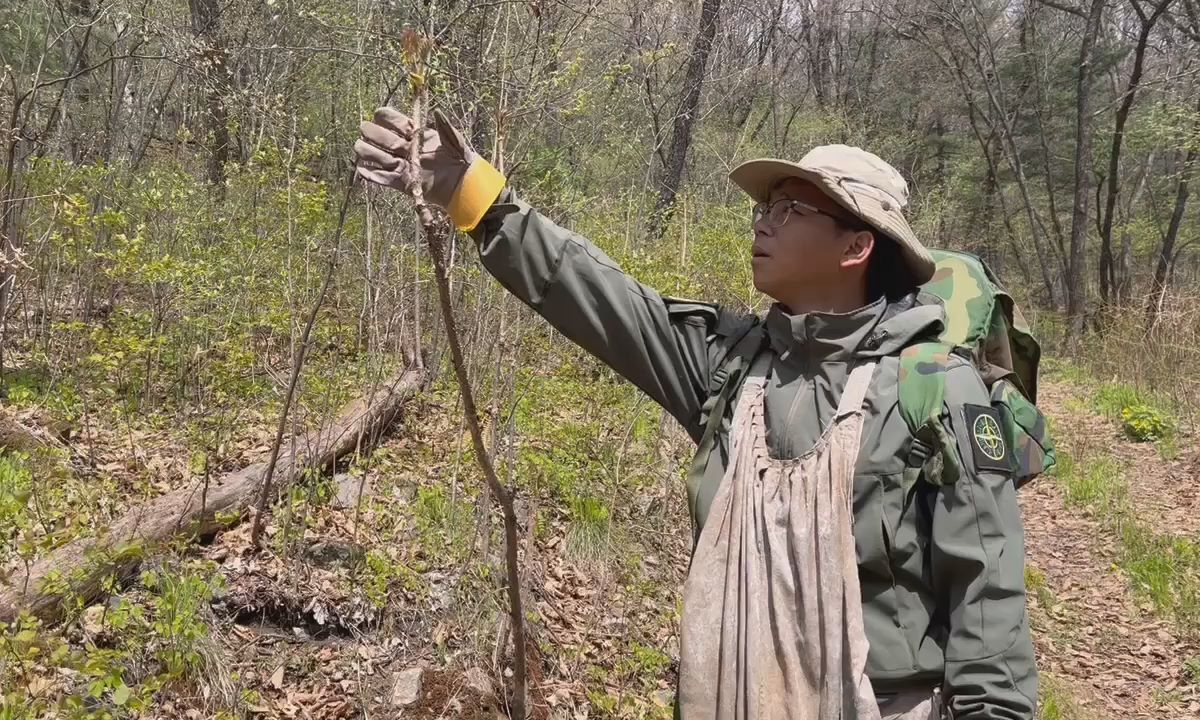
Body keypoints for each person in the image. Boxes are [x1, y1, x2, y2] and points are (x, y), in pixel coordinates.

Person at [354, 107, 1037, 720]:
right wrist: (467, 191)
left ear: (857, 246)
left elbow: (988, 615)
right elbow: (597, 294)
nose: (763, 222)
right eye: (764, 207)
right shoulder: (730, 367)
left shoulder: (936, 393)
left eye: (792, 210)